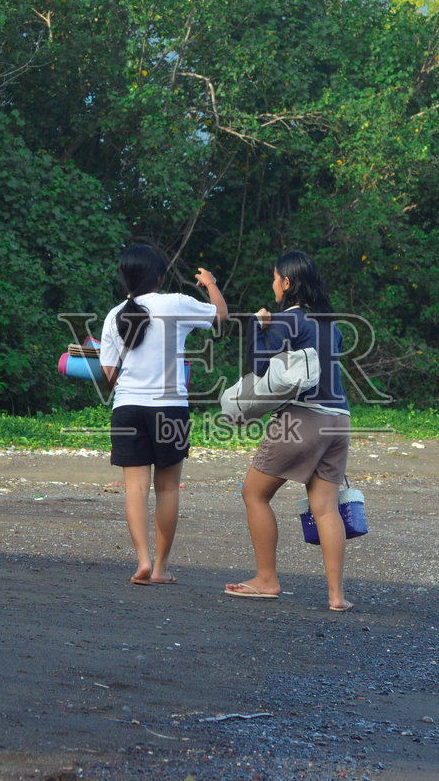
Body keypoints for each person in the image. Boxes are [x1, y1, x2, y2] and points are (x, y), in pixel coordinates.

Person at [225, 250, 353, 612]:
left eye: (275, 277)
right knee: (325, 507)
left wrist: (257, 326)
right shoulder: (333, 325)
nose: (272, 284)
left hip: (303, 419)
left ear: (287, 283)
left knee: (254, 493)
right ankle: (336, 596)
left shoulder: (288, 320)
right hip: (339, 420)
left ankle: (266, 579)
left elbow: (261, 368)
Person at [99, 245, 227, 586]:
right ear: (159, 276)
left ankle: (141, 560)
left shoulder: (114, 316)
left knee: (135, 490)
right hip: (170, 407)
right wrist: (211, 284)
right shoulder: (175, 303)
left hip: (127, 408)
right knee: (167, 489)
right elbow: (220, 317)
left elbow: (109, 376)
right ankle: (159, 568)